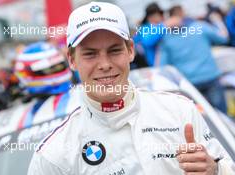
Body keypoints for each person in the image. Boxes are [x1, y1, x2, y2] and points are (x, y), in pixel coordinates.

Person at [28, 2, 235, 175]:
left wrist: (216, 169)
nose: (105, 64)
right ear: (72, 60)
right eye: (90, 54)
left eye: (115, 50)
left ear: (130, 51)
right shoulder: (53, 155)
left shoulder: (181, 111)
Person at [156, 5, 229, 114]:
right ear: (183, 14)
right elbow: (223, 38)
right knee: (222, 117)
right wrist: (218, 21)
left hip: (189, 84)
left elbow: (161, 66)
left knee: (202, 120)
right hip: (210, 77)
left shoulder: (165, 38)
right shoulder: (200, 27)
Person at [133, 2, 181, 67]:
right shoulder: (145, 28)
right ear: (151, 17)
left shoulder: (158, 27)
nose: (162, 16)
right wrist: (165, 25)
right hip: (153, 67)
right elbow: (147, 41)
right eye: (160, 14)